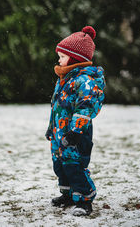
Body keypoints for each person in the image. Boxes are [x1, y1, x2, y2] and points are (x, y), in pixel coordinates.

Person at [45, 26, 105, 216]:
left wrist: (76, 132)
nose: (59, 60)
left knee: (74, 165)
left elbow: (85, 108)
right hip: (60, 133)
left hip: (76, 134)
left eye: (62, 56)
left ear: (76, 58)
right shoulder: (64, 79)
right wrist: (51, 128)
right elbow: (56, 108)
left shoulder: (85, 80)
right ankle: (69, 194)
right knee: (60, 165)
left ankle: (85, 199)